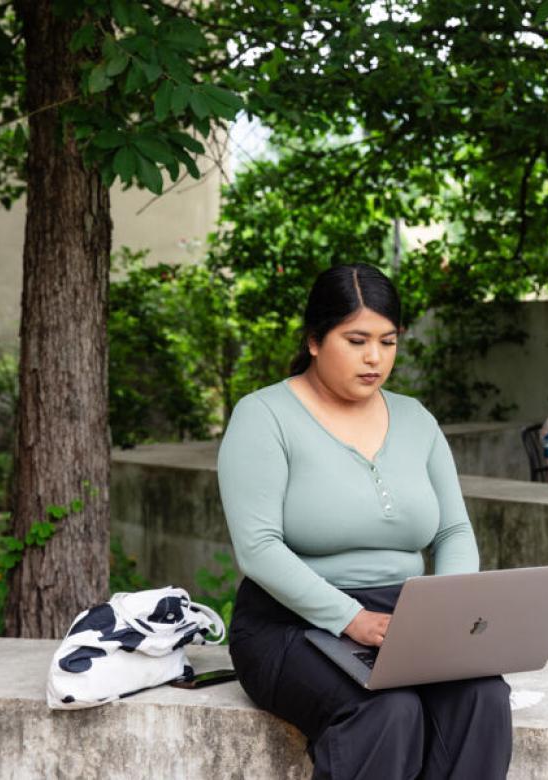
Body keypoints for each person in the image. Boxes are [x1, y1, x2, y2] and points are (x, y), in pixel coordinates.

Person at [217, 263, 512, 780]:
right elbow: (258, 547)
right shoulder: (264, 416)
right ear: (314, 340)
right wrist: (352, 618)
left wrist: (443, 613)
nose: (375, 357)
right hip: (294, 624)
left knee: (482, 697)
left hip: (406, 621)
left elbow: (453, 531)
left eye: (388, 341)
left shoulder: (416, 419)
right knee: (386, 708)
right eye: (355, 340)